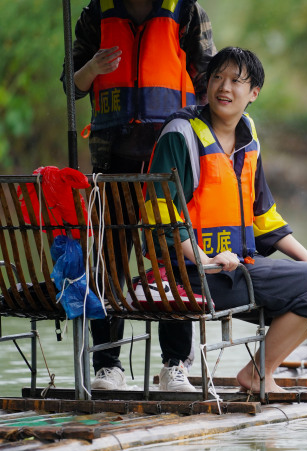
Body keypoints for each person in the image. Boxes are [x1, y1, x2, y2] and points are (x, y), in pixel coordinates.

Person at [146, 47, 307, 393]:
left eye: (236, 81)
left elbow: (264, 217)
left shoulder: (248, 136)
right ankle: (255, 374)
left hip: (237, 270)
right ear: (206, 85)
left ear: (254, 93)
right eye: (217, 78)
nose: (224, 87)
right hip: (193, 273)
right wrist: (206, 260)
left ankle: (258, 373)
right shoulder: (181, 134)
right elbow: (160, 217)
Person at [61, 0, 215, 391]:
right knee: (107, 260)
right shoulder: (97, 12)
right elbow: (70, 85)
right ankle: (108, 365)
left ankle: (174, 364)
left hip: (168, 156)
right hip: (110, 159)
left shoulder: (185, 11)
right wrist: (93, 69)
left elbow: (209, 80)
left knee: (172, 256)